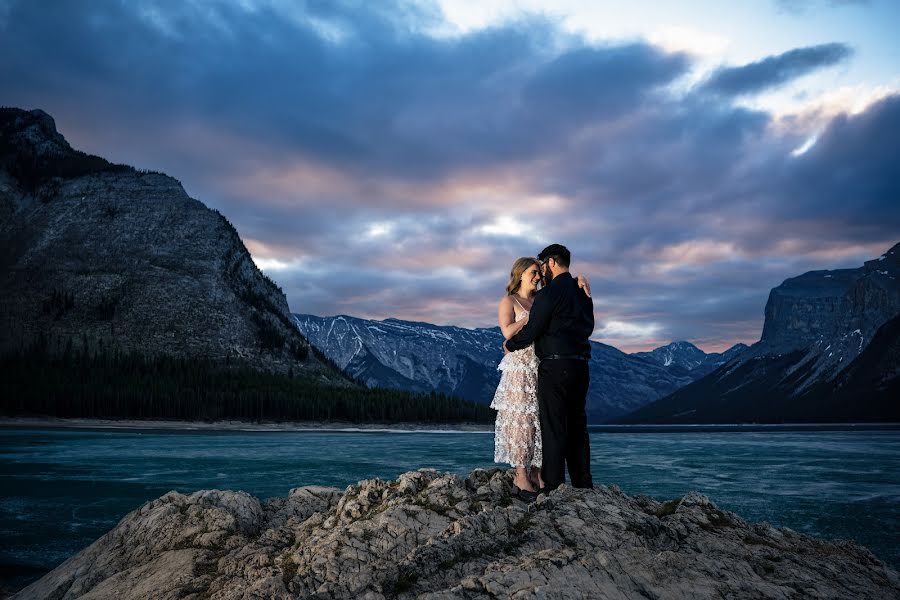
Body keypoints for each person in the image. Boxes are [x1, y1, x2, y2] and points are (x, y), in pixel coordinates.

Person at [492, 255, 592, 502]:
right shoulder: (509, 301)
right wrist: (534, 316)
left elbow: (559, 296)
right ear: (520, 274)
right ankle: (520, 475)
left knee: (540, 422)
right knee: (521, 420)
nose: (538, 277)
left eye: (539, 272)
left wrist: (578, 281)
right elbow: (507, 332)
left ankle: (538, 472)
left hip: (541, 365)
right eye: (533, 273)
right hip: (519, 366)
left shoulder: (542, 298)